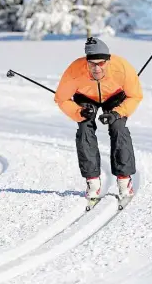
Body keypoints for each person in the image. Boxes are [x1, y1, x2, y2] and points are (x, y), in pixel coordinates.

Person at [54, 37, 143, 202]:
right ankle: (92, 181)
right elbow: (61, 99)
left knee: (118, 128)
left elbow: (135, 96)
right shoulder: (74, 70)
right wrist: (79, 111)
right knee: (85, 128)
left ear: (108, 60)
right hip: (86, 97)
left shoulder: (122, 67)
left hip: (114, 96)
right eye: (92, 64)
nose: (96, 68)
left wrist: (117, 113)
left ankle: (124, 179)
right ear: (86, 62)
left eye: (101, 63)